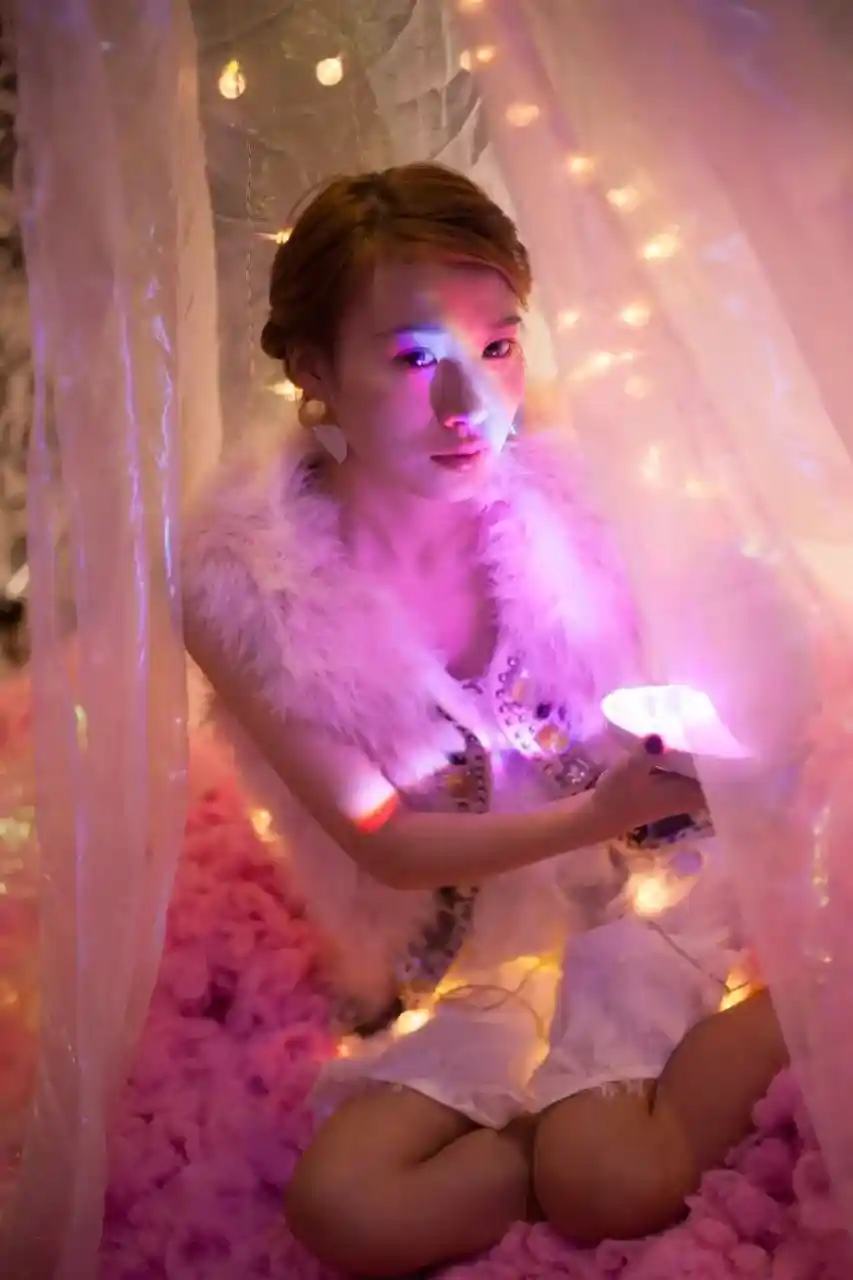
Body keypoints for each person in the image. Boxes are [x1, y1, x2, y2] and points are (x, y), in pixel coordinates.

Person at [181, 163, 788, 1277]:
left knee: (608, 1178)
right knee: (344, 1208)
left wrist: (689, 761)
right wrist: (592, 812)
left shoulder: (578, 483)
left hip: (657, 876)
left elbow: (743, 647)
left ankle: (794, 1005)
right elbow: (386, 839)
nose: (471, 405)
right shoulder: (248, 586)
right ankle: (570, 1122)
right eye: (415, 359)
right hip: (478, 951)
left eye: (499, 346)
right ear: (313, 369)